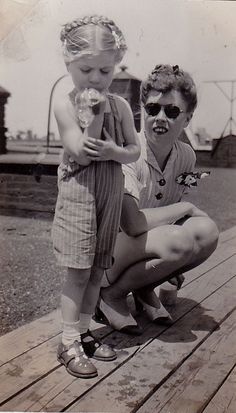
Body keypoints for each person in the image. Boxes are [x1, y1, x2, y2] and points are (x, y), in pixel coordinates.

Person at [95, 64, 219, 335]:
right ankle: (111, 295)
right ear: (142, 110)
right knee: (179, 239)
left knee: (207, 232)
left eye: (172, 111)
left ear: (187, 119)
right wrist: (185, 209)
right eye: (152, 109)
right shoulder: (127, 153)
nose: (160, 117)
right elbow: (132, 223)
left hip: (145, 247)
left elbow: (174, 220)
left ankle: (143, 288)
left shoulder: (187, 156)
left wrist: (171, 267)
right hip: (108, 255)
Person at [52, 15, 140, 379]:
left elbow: (133, 150)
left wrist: (117, 152)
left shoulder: (120, 106)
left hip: (108, 194)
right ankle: (68, 340)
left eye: (106, 71)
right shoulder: (66, 102)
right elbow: (80, 150)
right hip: (78, 196)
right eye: (86, 69)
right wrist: (94, 113)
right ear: (69, 63)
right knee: (77, 271)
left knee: (96, 272)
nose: (96, 79)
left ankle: (85, 332)